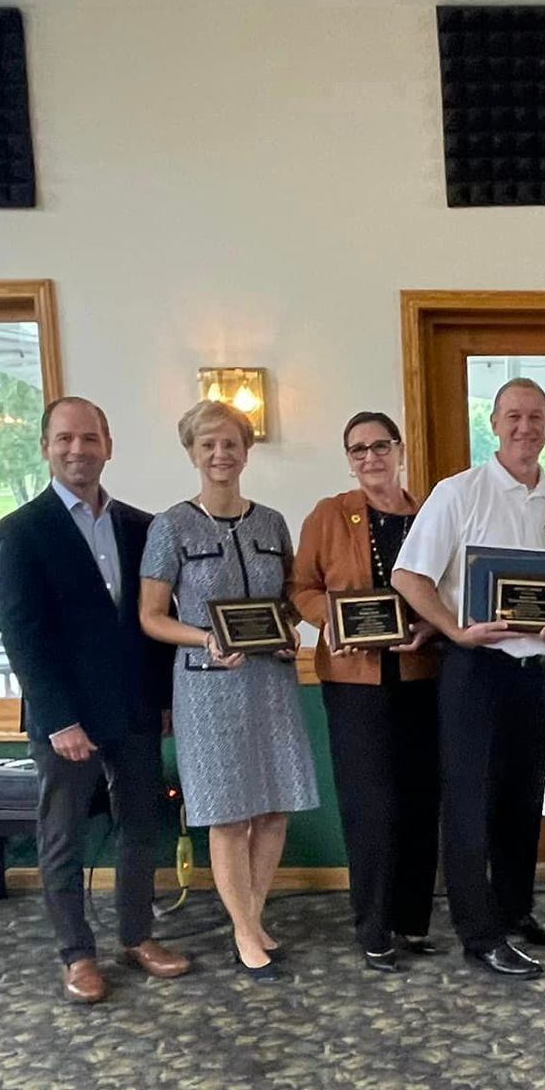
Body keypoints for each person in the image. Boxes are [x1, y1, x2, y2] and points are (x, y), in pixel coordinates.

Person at [0, 396, 186, 1004]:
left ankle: (137, 935)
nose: (78, 450)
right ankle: (77, 955)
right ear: (46, 447)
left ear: (108, 446)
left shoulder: (141, 525)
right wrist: (57, 720)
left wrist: (162, 702)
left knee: (141, 829)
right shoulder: (21, 531)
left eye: (89, 438)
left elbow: (155, 620)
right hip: (66, 721)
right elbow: (22, 635)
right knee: (64, 839)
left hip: (132, 709)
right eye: (64, 439)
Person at [392, 378, 545, 980]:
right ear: (494, 424)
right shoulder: (458, 492)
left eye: (536, 417)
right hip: (474, 670)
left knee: (525, 801)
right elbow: (409, 576)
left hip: (536, 672)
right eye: (513, 416)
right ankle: (480, 934)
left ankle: (516, 911)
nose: (525, 427)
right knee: (471, 805)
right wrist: (452, 628)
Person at [139, 400, 319, 982]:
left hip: (269, 680)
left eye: (231, 443)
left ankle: (253, 916)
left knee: (272, 809)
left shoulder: (271, 523)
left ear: (247, 450)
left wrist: (290, 632)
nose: (221, 454)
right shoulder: (170, 526)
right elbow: (151, 616)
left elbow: (286, 600)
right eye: (208, 444)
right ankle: (244, 931)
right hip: (208, 687)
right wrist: (204, 639)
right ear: (192, 452)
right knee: (228, 816)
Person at [288, 410, 442, 974]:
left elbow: (450, 587)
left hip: (424, 674)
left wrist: (432, 625)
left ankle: (412, 922)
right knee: (371, 805)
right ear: (348, 459)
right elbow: (300, 588)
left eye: (380, 446)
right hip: (356, 684)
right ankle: (374, 926)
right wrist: (331, 621)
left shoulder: (431, 512)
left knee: (421, 801)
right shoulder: (329, 515)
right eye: (358, 450)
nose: (371, 458)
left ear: (400, 450)